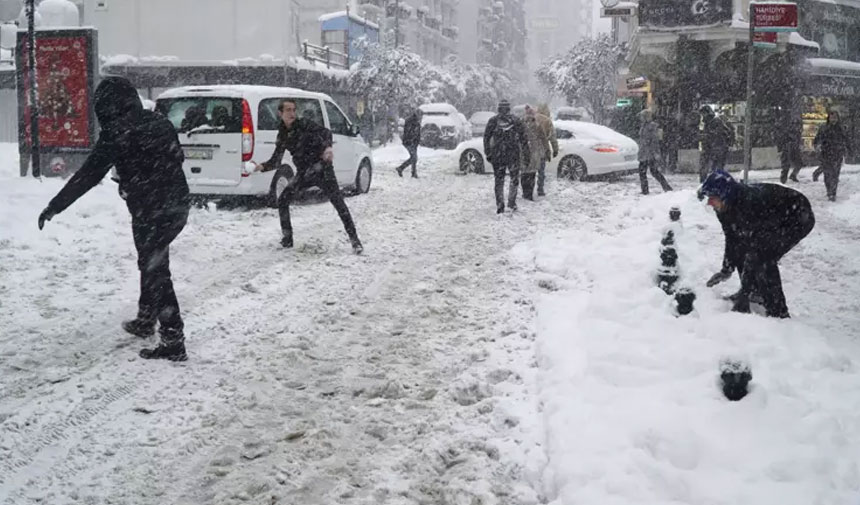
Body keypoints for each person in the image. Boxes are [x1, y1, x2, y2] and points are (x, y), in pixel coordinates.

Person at [37, 76, 191, 361]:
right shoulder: (158, 121)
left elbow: (88, 175)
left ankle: (173, 340)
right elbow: (176, 157)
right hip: (177, 205)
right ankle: (146, 319)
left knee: (156, 269)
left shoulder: (117, 132)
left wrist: (55, 205)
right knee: (153, 261)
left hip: (150, 209)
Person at [253, 98, 363, 254]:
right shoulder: (283, 133)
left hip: (322, 169)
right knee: (283, 199)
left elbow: (326, 132)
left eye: (293, 110)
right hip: (304, 172)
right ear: (280, 113)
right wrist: (262, 166)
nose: (292, 113)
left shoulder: (304, 124)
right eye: (288, 110)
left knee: (339, 203)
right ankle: (287, 239)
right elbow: (276, 159)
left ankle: (355, 241)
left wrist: (328, 148)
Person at [700, 170, 814, 318]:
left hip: (796, 216)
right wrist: (726, 269)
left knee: (763, 258)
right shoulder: (724, 208)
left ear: (725, 195)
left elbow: (754, 251)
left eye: (712, 198)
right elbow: (732, 237)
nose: (709, 202)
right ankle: (755, 293)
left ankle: (778, 312)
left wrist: (743, 294)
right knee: (744, 248)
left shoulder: (749, 204)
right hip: (774, 216)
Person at [484, 99, 529, 214]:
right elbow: (524, 140)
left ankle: (500, 204)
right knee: (514, 179)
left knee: (499, 181)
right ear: (509, 108)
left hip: (497, 156)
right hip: (513, 155)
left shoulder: (493, 121)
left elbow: (486, 138)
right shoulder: (516, 121)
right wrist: (526, 154)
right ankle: (511, 202)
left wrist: (488, 152)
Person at [812, 110, 851, 201]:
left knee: (835, 175)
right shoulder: (824, 128)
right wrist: (816, 145)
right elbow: (817, 139)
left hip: (837, 154)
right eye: (832, 117)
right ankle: (829, 190)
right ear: (828, 118)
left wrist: (848, 150)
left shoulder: (841, 128)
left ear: (838, 118)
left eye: (835, 117)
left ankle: (833, 193)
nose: (833, 119)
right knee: (827, 174)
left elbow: (846, 140)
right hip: (826, 154)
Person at [637, 109, 672, 195]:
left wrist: (655, 153)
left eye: (642, 116)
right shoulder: (644, 126)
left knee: (650, 172)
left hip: (648, 154)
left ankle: (664, 187)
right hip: (645, 153)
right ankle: (665, 187)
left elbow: (654, 141)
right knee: (651, 172)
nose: (641, 118)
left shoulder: (650, 128)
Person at [522, 105, 552, 200]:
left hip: (526, 152)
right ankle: (538, 190)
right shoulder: (537, 125)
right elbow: (544, 139)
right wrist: (547, 151)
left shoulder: (521, 124)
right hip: (536, 152)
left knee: (525, 173)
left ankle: (526, 192)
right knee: (536, 173)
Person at [699, 106, 734, 182]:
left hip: (718, 148)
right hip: (711, 148)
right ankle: (706, 182)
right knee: (708, 167)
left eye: (703, 113)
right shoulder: (707, 123)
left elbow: (718, 134)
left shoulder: (716, 121)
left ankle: (717, 183)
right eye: (702, 114)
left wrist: (707, 136)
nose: (703, 116)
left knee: (716, 168)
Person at [536, 104, 559, 196]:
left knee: (530, 171)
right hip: (542, 149)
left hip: (531, 149)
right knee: (541, 171)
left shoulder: (532, 118)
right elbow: (552, 137)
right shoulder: (547, 121)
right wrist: (555, 149)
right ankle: (540, 189)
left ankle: (527, 190)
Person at [776, 113, 803, 184]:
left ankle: (793, 175)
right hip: (788, 150)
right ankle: (783, 180)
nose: (797, 126)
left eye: (798, 125)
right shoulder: (787, 132)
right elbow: (781, 141)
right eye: (796, 125)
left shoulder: (797, 132)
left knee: (799, 164)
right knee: (786, 166)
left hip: (794, 150)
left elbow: (798, 141)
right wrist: (780, 149)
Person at [396, 107, 423, 178]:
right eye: (420, 115)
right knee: (414, 158)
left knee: (414, 157)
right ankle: (401, 168)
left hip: (413, 142)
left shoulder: (416, 121)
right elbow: (409, 133)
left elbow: (417, 133)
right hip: (409, 142)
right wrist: (411, 140)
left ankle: (413, 173)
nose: (421, 117)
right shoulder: (410, 121)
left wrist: (417, 141)